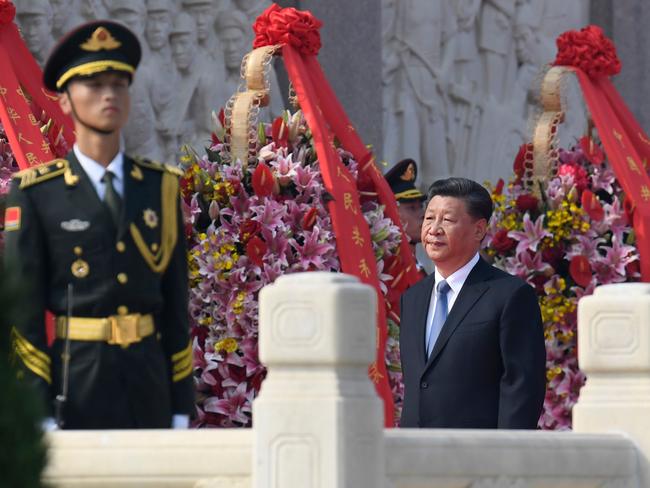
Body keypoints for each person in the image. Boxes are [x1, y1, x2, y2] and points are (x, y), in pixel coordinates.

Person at [4, 21, 193, 429]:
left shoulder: (160, 188)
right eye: (93, 84)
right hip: (76, 385)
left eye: (119, 83)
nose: (109, 94)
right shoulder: (37, 194)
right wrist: (38, 412)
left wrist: (181, 405)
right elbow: (24, 313)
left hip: (149, 386)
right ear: (67, 101)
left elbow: (177, 307)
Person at [399, 177, 545, 428]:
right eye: (429, 218)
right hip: (415, 455)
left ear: (479, 229)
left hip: (477, 457)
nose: (434, 229)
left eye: (447, 220)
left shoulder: (509, 295)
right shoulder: (412, 298)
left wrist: (505, 461)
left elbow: (522, 389)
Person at [384, 158, 433, 275]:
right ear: (390, 215)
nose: (423, 214)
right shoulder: (389, 272)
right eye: (412, 208)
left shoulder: (416, 266)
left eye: (421, 206)